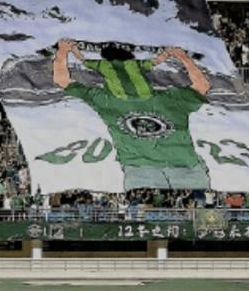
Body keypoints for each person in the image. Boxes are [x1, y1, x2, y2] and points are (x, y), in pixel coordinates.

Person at [51, 39, 211, 190]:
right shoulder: (170, 99)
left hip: (141, 168)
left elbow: (62, 80)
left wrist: (63, 51)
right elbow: (202, 85)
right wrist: (183, 57)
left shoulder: (104, 100)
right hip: (181, 165)